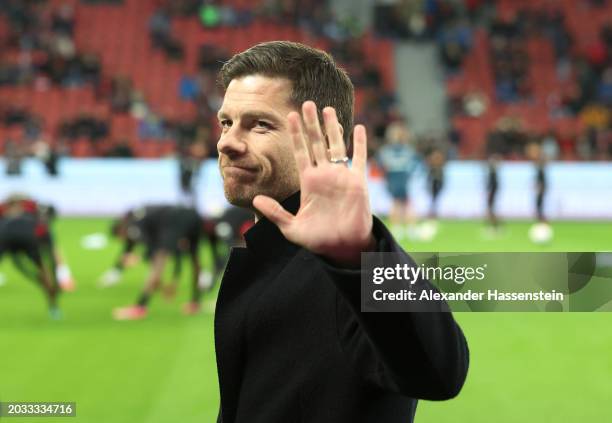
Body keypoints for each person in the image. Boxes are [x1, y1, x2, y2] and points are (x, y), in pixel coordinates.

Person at [213, 41, 469, 422]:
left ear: (321, 137)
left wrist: (360, 256)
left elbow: (439, 373)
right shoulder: (267, 253)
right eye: (226, 122)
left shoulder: (344, 270)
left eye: (259, 124)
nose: (227, 142)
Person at [109, 205, 215, 320]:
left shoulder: (135, 225)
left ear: (121, 230)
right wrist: (173, 281)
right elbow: (172, 254)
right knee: (194, 258)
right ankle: (195, 302)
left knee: (159, 259)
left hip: (174, 219)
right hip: (193, 215)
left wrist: (138, 257)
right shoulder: (144, 216)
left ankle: (139, 307)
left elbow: (153, 251)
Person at [0, 195, 69, 318]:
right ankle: (54, 307)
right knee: (44, 273)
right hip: (27, 240)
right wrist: (56, 280)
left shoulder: (7, 213)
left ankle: (53, 303)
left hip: (5, 237)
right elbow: (51, 252)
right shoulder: (39, 220)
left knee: (35, 271)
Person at [376, 120, 420, 240]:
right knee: (401, 202)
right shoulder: (404, 150)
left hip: (395, 175)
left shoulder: (388, 150)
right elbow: (414, 162)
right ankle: (405, 228)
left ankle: (402, 228)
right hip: (398, 175)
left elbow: (380, 163)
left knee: (400, 202)